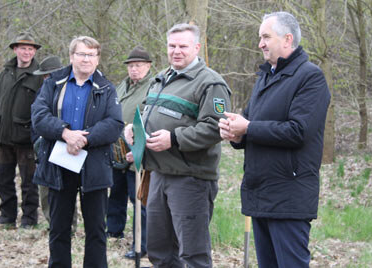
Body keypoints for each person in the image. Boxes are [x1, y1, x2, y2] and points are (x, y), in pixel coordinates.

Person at [218, 12, 330, 268]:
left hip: (289, 196)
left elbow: (298, 131)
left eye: (266, 37)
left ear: (287, 39)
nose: (260, 44)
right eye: (260, 37)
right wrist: (236, 133)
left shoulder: (310, 78)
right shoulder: (265, 77)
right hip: (261, 193)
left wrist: (248, 127)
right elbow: (250, 124)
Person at [125, 23, 231, 267]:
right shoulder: (161, 78)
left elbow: (216, 128)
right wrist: (133, 128)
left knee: (193, 254)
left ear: (196, 47)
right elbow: (145, 113)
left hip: (190, 179)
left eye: (183, 46)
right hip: (158, 175)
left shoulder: (211, 83)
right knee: (160, 251)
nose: (176, 51)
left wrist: (173, 139)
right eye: (172, 46)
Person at [31, 36, 124, 267]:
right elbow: (39, 116)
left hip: (94, 166)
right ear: (72, 56)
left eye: (91, 55)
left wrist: (83, 139)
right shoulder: (53, 83)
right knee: (59, 227)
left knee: (96, 230)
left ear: (97, 59)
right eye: (81, 54)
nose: (86, 59)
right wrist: (65, 133)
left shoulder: (107, 88)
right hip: (58, 166)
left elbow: (114, 124)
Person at [0, 32, 42, 229]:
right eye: (23, 48)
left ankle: (29, 220)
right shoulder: (5, 73)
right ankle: (7, 218)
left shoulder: (39, 76)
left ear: (34, 52)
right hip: (3, 136)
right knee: (3, 181)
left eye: (30, 49)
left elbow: (43, 108)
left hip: (27, 139)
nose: (27, 52)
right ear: (15, 49)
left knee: (29, 183)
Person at [107, 46, 152, 259]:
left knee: (139, 199)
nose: (134, 70)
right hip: (116, 147)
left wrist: (138, 143)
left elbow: (149, 117)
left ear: (148, 66)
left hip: (138, 149)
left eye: (139, 66)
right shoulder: (121, 86)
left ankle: (142, 244)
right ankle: (113, 230)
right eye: (131, 66)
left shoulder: (153, 87)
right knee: (115, 193)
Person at [32, 55, 77, 230]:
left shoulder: (72, 91)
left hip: (64, 146)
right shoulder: (42, 93)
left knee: (66, 188)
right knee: (45, 189)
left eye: (49, 75)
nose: (46, 79)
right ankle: (53, 224)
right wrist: (37, 142)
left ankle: (69, 227)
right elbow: (36, 121)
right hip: (43, 148)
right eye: (44, 76)